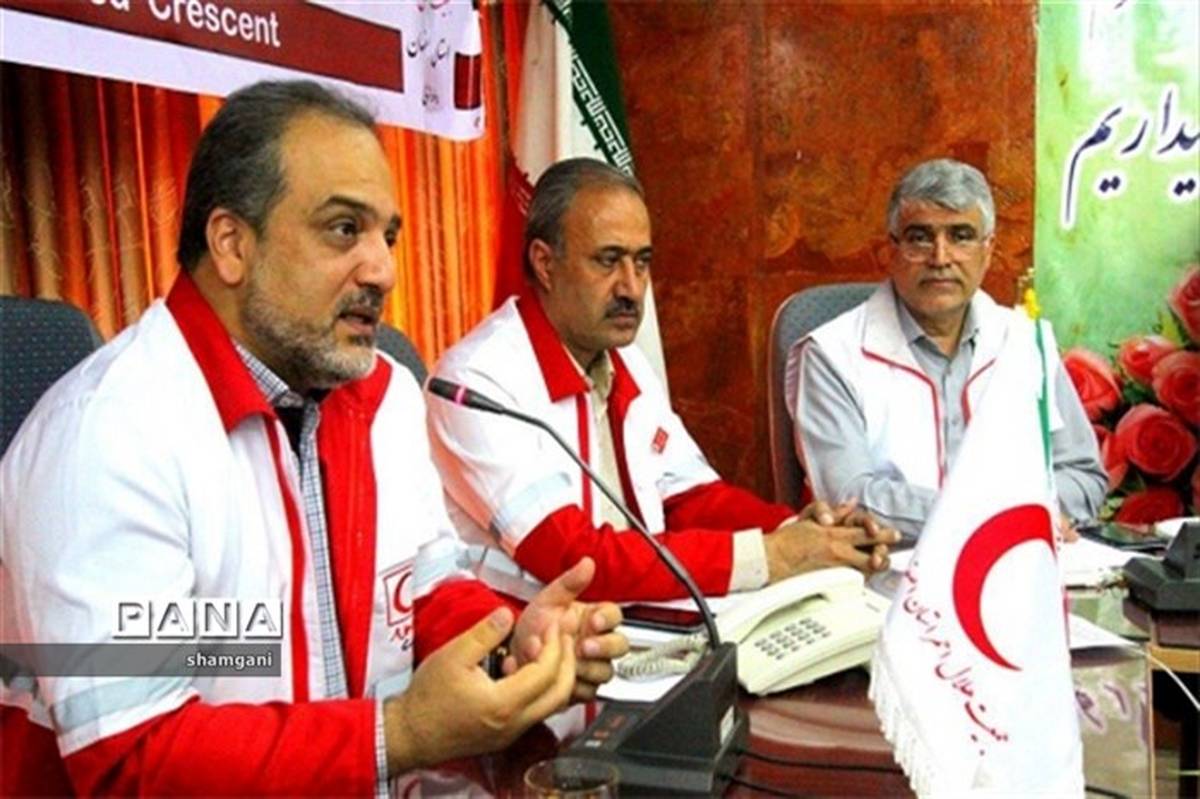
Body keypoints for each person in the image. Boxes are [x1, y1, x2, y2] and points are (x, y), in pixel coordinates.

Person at [0, 81, 627, 796]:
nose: (383, 270)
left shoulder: (384, 397)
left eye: (387, 236)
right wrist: (398, 733)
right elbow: (131, 758)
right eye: (343, 229)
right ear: (231, 244)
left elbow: (419, 590)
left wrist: (506, 638)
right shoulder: (110, 433)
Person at [426, 158, 898, 604]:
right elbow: (574, 560)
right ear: (545, 264)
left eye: (642, 261)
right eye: (608, 261)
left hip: (639, 620)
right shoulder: (478, 382)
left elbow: (690, 499)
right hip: (528, 641)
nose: (632, 288)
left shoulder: (624, 360)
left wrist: (801, 531)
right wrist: (772, 555)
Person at [785, 158, 1107, 538]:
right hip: (890, 564)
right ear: (891, 250)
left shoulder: (1025, 341)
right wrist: (996, 518)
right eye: (920, 238)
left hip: (1017, 560)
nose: (940, 258)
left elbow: (1083, 477)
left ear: (988, 250)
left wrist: (1014, 521)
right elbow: (849, 498)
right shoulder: (831, 354)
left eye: (961, 236)